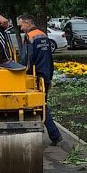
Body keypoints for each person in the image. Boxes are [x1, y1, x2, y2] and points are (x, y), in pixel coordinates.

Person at [19, 14, 62, 146]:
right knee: (42, 104)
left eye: (21, 25)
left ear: (27, 23)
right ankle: (52, 134)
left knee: (41, 105)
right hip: (46, 74)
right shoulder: (43, 35)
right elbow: (49, 57)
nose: (20, 28)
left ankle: (55, 135)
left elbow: (27, 59)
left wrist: (21, 71)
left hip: (36, 75)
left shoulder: (29, 37)